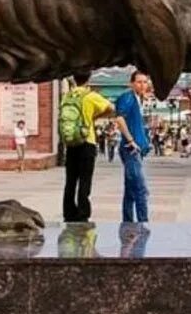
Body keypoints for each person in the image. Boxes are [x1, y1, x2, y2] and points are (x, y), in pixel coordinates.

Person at [61, 71, 115, 222]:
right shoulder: (90, 96)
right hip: (86, 141)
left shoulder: (68, 96)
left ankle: (68, 211)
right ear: (89, 78)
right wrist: (94, 117)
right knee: (85, 179)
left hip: (71, 142)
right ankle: (83, 212)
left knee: (70, 180)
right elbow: (111, 108)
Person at [115, 70, 153, 223]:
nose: (142, 85)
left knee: (131, 190)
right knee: (140, 189)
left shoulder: (139, 99)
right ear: (132, 83)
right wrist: (131, 140)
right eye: (139, 82)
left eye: (145, 82)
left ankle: (128, 221)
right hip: (130, 149)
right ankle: (143, 222)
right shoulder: (127, 98)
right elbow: (119, 119)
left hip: (137, 149)